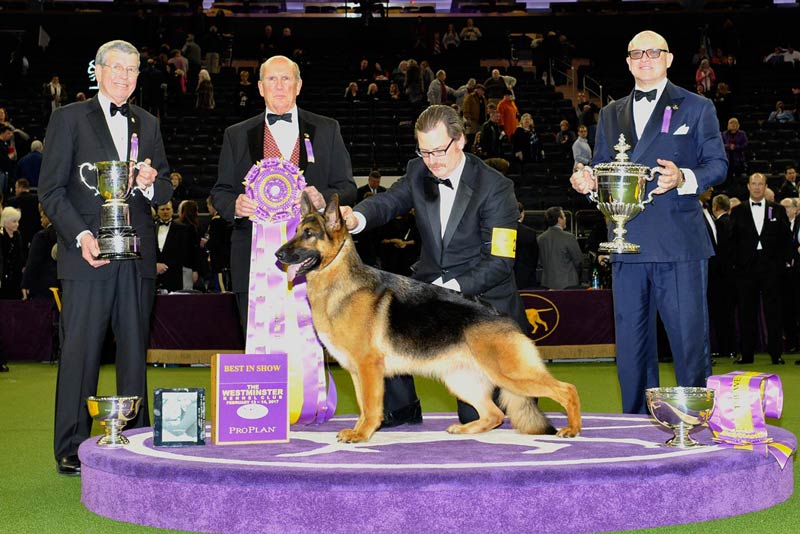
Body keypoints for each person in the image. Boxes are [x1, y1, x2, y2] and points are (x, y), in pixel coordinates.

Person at [340, 104, 529, 427]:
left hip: (482, 304)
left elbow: (500, 262)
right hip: (430, 292)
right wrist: (356, 217)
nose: (433, 161)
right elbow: (389, 201)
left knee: (484, 417)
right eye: (425, 152)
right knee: (379, 324)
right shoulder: (418, 171)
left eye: (440, 151)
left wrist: (447, 291)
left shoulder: (496, 187)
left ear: (461, 141)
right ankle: (400, 407)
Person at [570, 30, 727, 414]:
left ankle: (694, 425)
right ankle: (637, 428)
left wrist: (684, 178)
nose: (645, 58)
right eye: (636, 53)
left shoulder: (698, 107)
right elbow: (606, 172)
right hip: (628, 244)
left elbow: (718, 166)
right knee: (633, 348)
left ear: (669, 59)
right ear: (627, 62)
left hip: (679, 246)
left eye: (653, 52)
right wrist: (589, 184)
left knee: (689, 343)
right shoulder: (609, 113)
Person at [39, 39, 172, 476]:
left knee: (135, 351)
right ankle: (72, 444)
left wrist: (151, 183)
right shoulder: (67, 118)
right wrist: (80, 235)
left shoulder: (148, 122)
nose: (125, 76)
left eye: (133, 70)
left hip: (137, 256)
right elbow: (52, 191)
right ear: (97, 70)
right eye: (116, 67)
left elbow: (166, 190)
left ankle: (135, 440)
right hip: (86, 256)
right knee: (80, 352)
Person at [211, 55, 356, 325]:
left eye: (286, 79)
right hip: (253, 258)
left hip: (314, 261)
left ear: (298, 86)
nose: (279, 86)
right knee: (257, 345)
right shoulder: (236, 134)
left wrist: (322, 198)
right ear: (260, 87)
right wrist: (236, 206)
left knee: (311, 349)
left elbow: (347, 188)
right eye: (271, 79)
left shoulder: (327, 129)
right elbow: (220, 192)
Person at [729, 173, 791, 365]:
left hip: (771, 269)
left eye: (760, 184)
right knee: (747, 313)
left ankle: (775, 354)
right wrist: (736, 265)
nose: (757, 187)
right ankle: (746, 355)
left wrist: (781, 263)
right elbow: (732, 241)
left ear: (765, 187)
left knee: (774, 313)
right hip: (745, 270)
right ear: (748, 186)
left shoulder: (777, 210)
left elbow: (786, 239)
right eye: (754, 184)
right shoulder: (738, 210)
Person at [537, 206, 583, 290]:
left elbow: (539, 262)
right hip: (568, 284)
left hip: (547, 284)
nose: (565, 219)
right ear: (559, 219)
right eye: (564, 216)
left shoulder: (540, 238)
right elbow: (578, 261)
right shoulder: (569, 237)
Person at [21, 203, 58, 301]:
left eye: (42, 217)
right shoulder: (66, 235)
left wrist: (25, 284)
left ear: (48, 217)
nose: (41, 220)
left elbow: (33, 262)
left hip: (43, 286)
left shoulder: (41, 236)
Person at [0, 206, 24, 299]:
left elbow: (20, 254)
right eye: (14, 222)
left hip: (16, 275)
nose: (17, 224)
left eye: (18, 221)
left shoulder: (17, 235)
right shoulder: (1, 236)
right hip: (3, 275)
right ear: (5, 222)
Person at [514, 201, 538, 289]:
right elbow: (535, 256)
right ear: (522, 214)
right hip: (526, 275)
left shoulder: (502, 232)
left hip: (507, 276)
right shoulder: (530, 233)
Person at [721, 117, 747, 184]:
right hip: (727, 159)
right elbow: (720, 145)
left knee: (738, 177)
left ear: (738, 125)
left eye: (735, 123)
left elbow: (745, 145)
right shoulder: (724, 134)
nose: (733, 124)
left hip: (738, 158)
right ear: (728, 125)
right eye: (731, 123)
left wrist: (735, 147)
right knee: (728, 177)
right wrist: (729, 146)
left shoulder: (742, 134)